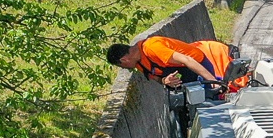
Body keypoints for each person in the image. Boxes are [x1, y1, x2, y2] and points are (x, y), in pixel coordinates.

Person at [106, 36, 248, 95]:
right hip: (188, 75)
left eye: (123, 66)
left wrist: (214, 82)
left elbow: (187, 60)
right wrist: (164, 81)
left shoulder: (152, 48)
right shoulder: (139, 63)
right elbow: (155, 77)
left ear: (124, 60)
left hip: (202, 62)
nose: (126, 69)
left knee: (218, 95)